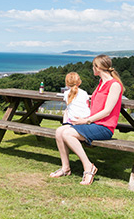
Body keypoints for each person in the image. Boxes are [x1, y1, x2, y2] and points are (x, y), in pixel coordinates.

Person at [50, 55, 123, 185]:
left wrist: (86, 120)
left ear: (98, 67)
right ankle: (65, 168)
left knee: (68, 133)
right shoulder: (101, 83)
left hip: (104, 127)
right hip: (93, 124)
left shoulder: (114, 85)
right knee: (59, 131)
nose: (92, 69)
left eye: (93, 66)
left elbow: (107, 111)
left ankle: (88, 167)